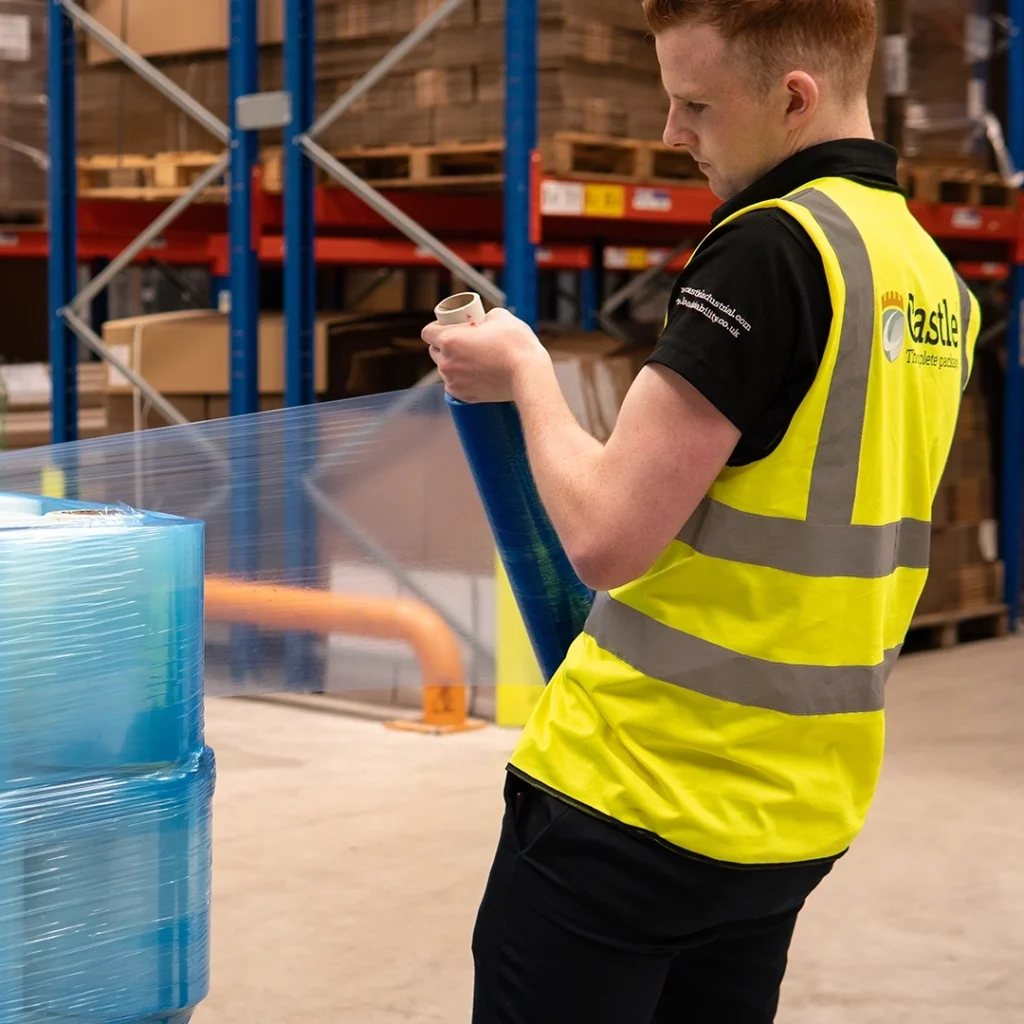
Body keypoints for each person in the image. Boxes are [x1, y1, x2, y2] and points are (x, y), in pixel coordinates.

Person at [422, 1, 981, 1021]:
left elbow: (604, 536)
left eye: (693, 104)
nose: (672, 134)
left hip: (635, 800)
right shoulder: (931, 278)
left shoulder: (770, 248)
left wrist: (526, 373)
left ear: (792, 97)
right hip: (790, 813)